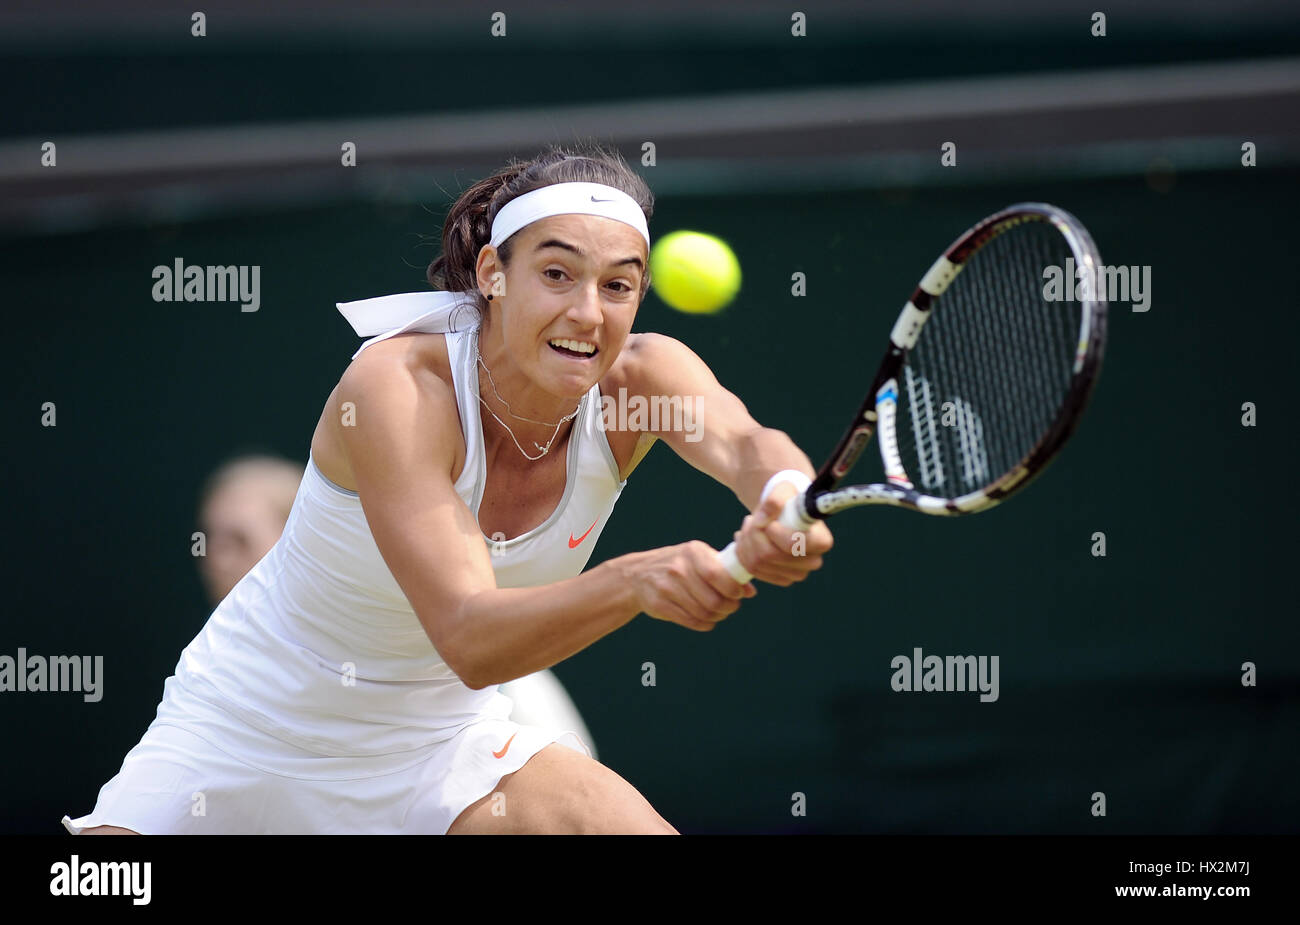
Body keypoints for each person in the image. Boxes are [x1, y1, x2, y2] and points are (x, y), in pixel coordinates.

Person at [63, 144, 832, 835]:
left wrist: (788, 499)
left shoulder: (640, 382)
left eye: (619, 285)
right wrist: (632, 582)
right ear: (494, 273)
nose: (588, 312)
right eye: (557, 273)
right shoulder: (399, 386)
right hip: (244, 728)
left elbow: (744, 443)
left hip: (437, 746)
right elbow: (470, 636)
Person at [195, 453, 600, 755]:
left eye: (238, 541)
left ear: (294, 537)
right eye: (212, 541)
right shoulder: (221, 666)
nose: (218, 559)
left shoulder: (474, 674)